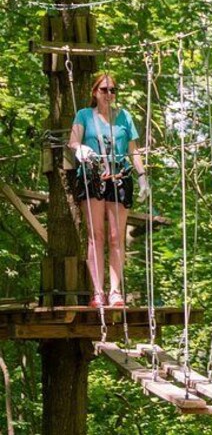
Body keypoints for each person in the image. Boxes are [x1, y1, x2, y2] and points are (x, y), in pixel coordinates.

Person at [68, 73, 149, 308]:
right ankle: (97, 292)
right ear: (95, 92)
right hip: (93, 177)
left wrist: (142, 176)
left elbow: (133, 150)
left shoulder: (124, 117)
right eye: (104, 90)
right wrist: (80, 149)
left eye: (113, 90)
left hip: (120, 176)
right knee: (96, 236)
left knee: (116, 237)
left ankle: (114, 291)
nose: (109, 94)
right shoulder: (84, 115)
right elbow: (73, 141)